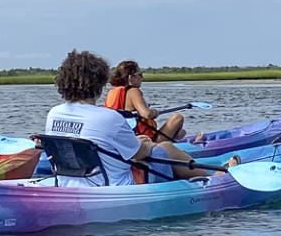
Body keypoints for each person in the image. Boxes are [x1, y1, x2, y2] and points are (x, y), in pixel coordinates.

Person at [44, 50, 231, 187]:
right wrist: (146, 144)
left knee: (154, 147)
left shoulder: (54, 113)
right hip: (118, 186)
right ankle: (215, 180)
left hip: (74, 183)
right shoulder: (108, 118)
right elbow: (138, 154)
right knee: (164, 147)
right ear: (99, 82)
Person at [104, 60, 189, 143]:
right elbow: (146, 114)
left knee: (182, 132)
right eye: (140, 75)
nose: (142, 78)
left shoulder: (112, 92)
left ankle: (176, 140)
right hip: (145, 140)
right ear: (131, 77)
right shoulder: (133, 91)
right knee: (178, 118)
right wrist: (154, 112)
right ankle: (169, 146)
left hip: (124, 139)